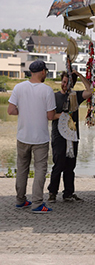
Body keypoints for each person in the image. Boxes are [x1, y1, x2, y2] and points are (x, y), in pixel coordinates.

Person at [8, 60, 56, 213]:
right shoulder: (47, 90)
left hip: (23, 136)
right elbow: (50, 116)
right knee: (40, 169)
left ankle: (20, 200)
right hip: (40, 138)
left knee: (22, 168)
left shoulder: (18, 87)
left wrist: (24, 112)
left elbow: (10, 110)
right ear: (42, 72)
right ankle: (37, 204)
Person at [47, 70, 93, 203]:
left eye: (67, 83)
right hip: (58, 136)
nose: (65, 85)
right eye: (63, 82)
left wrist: (79, 75)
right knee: (58, 164)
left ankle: (68, 193)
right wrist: (61, 116)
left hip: (72, 136)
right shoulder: (54, 97)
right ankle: (52, 192)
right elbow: (49, 116)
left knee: (70, 166)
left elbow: (90, 91)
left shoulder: (75, 96)